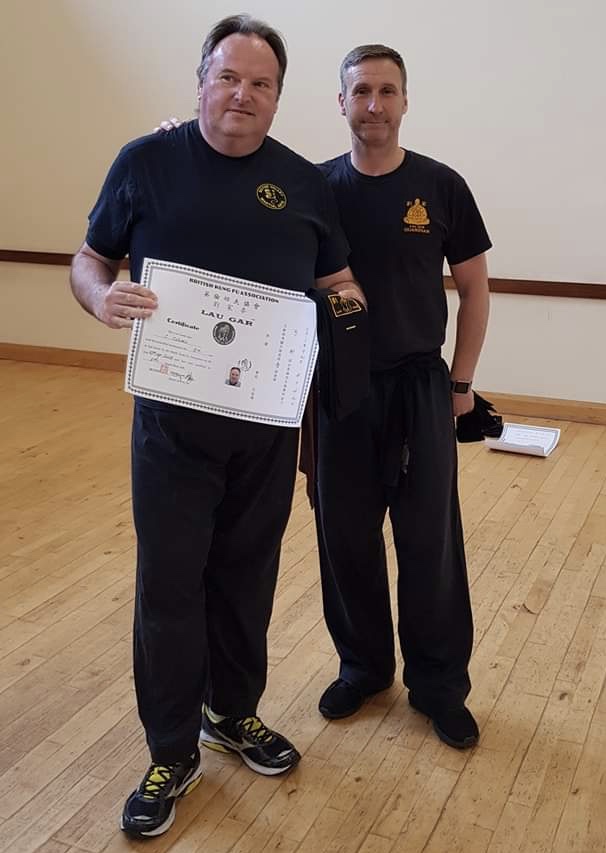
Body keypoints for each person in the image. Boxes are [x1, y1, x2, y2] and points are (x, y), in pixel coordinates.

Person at [70, 14, 361, 839]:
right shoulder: (146, 163)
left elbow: (337, 281)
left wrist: (340, 320)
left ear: (277, 96)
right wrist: (101, 297)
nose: (244, 94)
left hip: (265, 428)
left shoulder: (305, 184)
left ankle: (231, 712)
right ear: (202, 78)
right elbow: (90, 259)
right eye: (229, 76)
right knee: (169, 583)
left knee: (246, 576)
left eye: (261, 83)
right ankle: (169, 750)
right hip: (170, 425)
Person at [314, 45, 491, 750]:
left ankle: (440, 685)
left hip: (420, 385)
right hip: (340, 390)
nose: (375, 104)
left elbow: (476, 288)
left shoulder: (442, 186)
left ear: (405, 100)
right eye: (361, 91)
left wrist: (461, 384)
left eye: (388, 91)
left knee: (429, 542)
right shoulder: (316, 189)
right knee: (345, 538)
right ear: (343, 103)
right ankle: (363, 667)